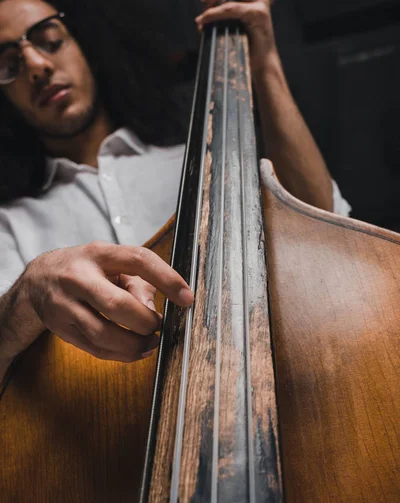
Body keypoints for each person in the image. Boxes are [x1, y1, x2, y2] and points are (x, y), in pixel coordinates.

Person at [0, 0, 351, 383]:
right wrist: (29, 289)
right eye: (7, 65)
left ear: (87, 46)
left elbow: (326, 224)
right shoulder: (10, 224)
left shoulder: (208, 159)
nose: (36, 66)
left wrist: (263, 62)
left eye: (50, 40)